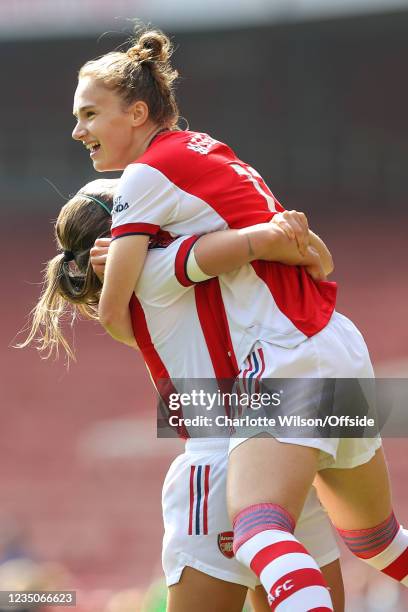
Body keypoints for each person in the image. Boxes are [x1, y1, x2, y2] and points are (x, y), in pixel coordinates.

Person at [70, 25, 408, 611]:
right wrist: (273, 238)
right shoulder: (212, 156)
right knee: (380, 543)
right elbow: (314, 256)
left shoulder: (154, 218)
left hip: (248, 409)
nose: (78, 131)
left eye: (89, 114)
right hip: (335, 346)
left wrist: (114, 276)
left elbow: (115, 318)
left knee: (258, 531)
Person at [22, 181, 345, 611]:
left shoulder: (141, 291)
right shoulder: (184, 263)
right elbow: (319, 260)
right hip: (280, 461)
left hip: (218, 467)